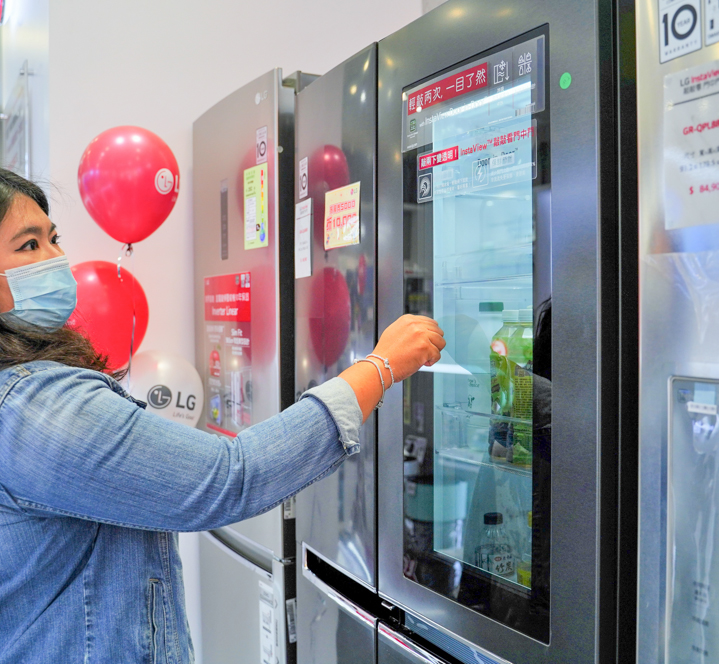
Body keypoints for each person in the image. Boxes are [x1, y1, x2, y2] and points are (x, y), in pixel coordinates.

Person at [0, 169, 446, 663]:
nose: (57, 258)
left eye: (53, 237)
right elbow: (231, 477)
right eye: (28, 246)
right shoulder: (34, 406)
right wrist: (379, 367)